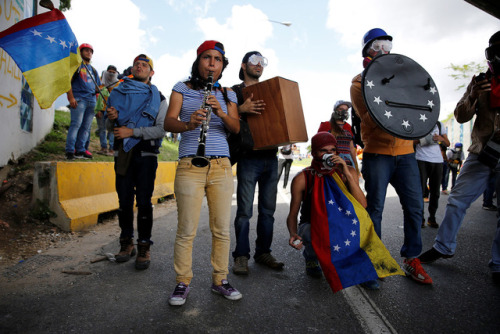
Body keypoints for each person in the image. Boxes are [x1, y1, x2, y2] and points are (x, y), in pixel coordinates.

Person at [350, 28, 432, 284]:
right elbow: (369, 117)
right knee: (375, 208)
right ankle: (374, 261)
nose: (384, 49)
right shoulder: (358, 82)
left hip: (407, 154)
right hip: (378, 154)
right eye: (377, 45)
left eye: (387, 44)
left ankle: (411, 258)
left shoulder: (405, 78)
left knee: (415, 207)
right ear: (367, 52)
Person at [164, 40, 242, 305]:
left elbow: (236, 128)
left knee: (221, 229)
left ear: (222, 65)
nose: (212, 63)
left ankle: (220, 280)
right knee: (187, 229)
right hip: (190, 165)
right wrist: (188, 124)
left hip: (221, 166)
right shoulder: (181, 88)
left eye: (217, 59)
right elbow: (168, 122)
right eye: (207, 58)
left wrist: (219, 111)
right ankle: (182, 282)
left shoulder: (228, 93)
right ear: (198, 62)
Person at [419, 31, 500, 284]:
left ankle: (498, 264)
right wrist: (474, 95)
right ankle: (443, 247)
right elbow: (460, 115)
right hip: (480, 154)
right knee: (456, 201)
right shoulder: (481, 81)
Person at [286, 132, 403, 291]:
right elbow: (293, 214)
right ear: (314, 153)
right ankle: (311, 257)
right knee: (309, 234)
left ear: (337, 152)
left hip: (345, 222)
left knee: (363, 226)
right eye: (323, 151)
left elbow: (362, 205)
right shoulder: (303, 177)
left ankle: (363, 272)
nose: (329, 154)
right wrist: (293, 233)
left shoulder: (346, 171)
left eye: (332, 150)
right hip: (315, 225)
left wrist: (346, 174)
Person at [106, 54, 166, 271]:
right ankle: (126, 243)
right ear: (132, 69)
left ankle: (144, 246)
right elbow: (107, 128)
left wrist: (132, 131)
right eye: (137, 64)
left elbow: (161, 129)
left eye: (145, 65)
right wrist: (111, 118)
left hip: (146, 155)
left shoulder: (158, 97)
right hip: (122, 154)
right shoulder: (117, 93)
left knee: (143, 202)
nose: (139, 66)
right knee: (123, 203)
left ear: (151, 73)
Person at [231, 51, 284, 275]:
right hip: (248, 157)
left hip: (271, 157)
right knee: (244, 212)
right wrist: (241, 110)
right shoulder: (234, 92)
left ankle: (263, 252)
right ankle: (241, 256)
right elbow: (224, 118)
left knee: (268, 211)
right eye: (254, 61)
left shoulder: (271, 90)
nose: (259, 65)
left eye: (263, 62)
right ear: (243, 65)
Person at [65, 43, 100, 160]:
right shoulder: (76, 66)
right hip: (79, 99)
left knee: (86, 127)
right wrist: (71, 98)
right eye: (86, 50)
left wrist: (98, 104)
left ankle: (80, 150)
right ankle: (70, 150)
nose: (89, 53)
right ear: (80, 52)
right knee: (76, 125)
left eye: (91, 51)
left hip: (91, 101)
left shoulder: (93, 70)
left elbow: (97, 88)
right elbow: (67, 82)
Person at [415, 122, 450, 228]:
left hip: (437, 161)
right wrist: (425, 140)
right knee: (420, 191)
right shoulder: (418, 121)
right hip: (421, 159)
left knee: (435, 192)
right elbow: (409, 141)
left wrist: (441, 138)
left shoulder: (439, 125)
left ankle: (432, 217)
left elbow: (448, 143)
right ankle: (420, 218)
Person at [322, 100, 359, 173]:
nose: (344, 112)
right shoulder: (325, 125)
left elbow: (351, 149)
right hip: (332, 161)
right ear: (335, 110)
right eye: (341, 109)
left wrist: (356, 166)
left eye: (346, 110)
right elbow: (320, 146)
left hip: (348, 162)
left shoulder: (349, 127)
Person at [96, 65, 119, 156]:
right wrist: (97, 109)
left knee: (112, 130)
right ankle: (103, 147)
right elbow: (97, 96)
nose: (111, 74)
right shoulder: (101, 82)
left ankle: (112, 149)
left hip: (111, 111)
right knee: (102, 129)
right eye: (109, 72)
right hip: (101, 109)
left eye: (113, 73)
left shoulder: (118, 84)